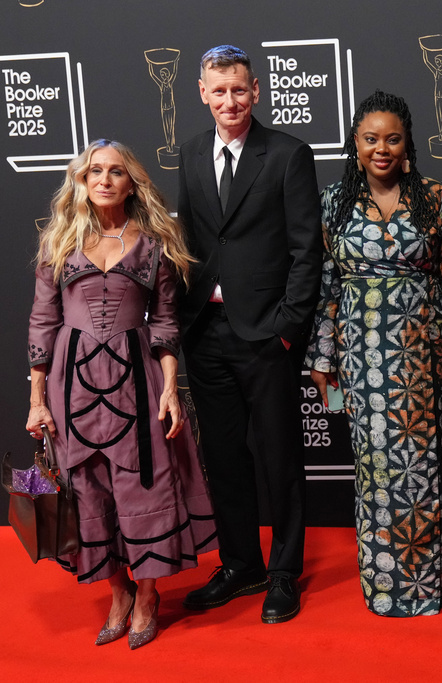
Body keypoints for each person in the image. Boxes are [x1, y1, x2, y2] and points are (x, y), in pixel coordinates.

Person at [26, 139, 217, 649]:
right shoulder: (59, 244)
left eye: (115, 172)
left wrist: (171, 389)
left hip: (139, 379)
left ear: (132, 182)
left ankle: (149, 594)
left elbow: (167, 324)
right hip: (72, 385)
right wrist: (38, 399)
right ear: (81, 183)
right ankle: (118, 592)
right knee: (87, 489)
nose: (104, 179)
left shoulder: (154, 244)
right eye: (94, 172)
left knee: (144, 485)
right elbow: (43, 323)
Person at [306, 90, 442, 616]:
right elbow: (329, 286)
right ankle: (385, 585)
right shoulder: (333, 202)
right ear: (354, 143)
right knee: (376, 465)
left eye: (393, 139)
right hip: (360, 356)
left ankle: (436, 582)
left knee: (426, 464)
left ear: (408, 144)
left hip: (421, 355)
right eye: (370, 138)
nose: (382, 149)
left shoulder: (436, 196)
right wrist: (322, 358)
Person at [176, 45, 322, 624]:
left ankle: (284, 571)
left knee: (280, 457)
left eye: (239, 90)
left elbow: (306, 250)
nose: (230, 101)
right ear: (202, 92)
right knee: (224, 456)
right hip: (206, 330)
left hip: (265, 334)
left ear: (255, 91)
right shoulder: (188, 154)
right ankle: (241, 563)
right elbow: (187, 240)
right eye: (219, 90)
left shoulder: (287, 154)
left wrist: (287, 330)